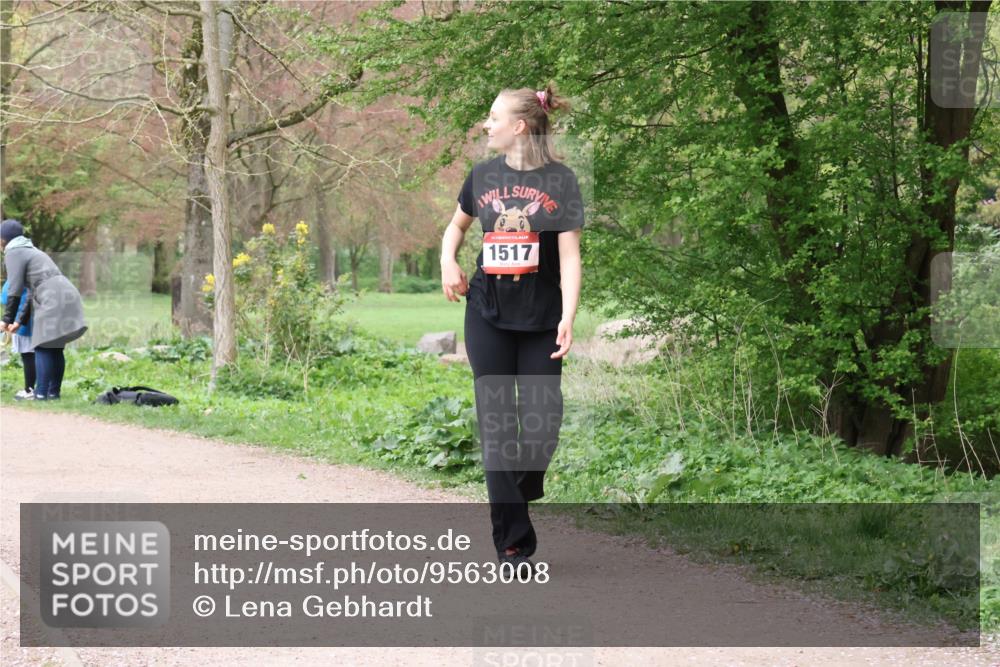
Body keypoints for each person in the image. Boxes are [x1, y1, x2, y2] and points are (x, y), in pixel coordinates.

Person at [440, 84, 584, 571]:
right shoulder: (481, 176)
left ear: (520, 126)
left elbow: (569, 255)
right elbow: (456, 227)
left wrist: (568, 315)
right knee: (498, 425)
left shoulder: (561, 181)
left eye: (493, 116)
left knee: (543, 421)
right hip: (488, 313)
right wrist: (448, 262)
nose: (486, 123)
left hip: (542, 317)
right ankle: (513, 545)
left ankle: (520, 485)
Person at [0, 219, 88, 400]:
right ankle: (53, 394)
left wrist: (6, 319)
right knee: (55, 347)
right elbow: (31, 292)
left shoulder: (14, 252)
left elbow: (14, 289)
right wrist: (18, 321)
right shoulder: (31, 250)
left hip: (51, 295)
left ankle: (40, 394)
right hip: (65, 291)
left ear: (3, 239)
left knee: (41, 346)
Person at [1, 278, 35, 399]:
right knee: (28, 354)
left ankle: (30, 389)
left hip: (24, 319)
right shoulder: (18, 271)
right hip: (17, 317)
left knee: (28, 354)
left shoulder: (23, 273)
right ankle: (34, 388)